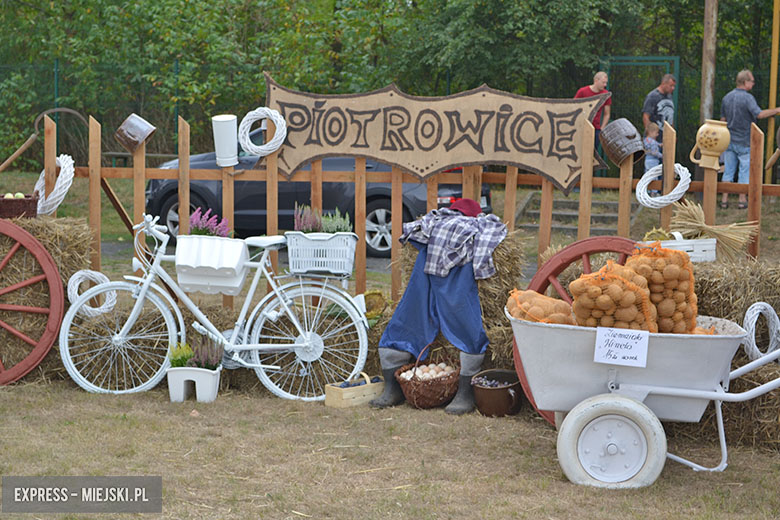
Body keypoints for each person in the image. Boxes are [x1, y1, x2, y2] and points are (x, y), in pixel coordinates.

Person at [369, 198, 507, 415]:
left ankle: (465, 391)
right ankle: (393, 386)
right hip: (424, 276)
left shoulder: (470, 227)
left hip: (451, 282)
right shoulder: (435, 228)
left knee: (463, 316)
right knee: (409, 314)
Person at [719, 69, 780, 209]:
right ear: (745, 82)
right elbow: (759, 114)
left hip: (729, 140)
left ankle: (724, 200)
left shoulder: (726, 97)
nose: (753, 84)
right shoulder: (747, 98)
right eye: (751, 81)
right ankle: (742, 200)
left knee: (728, 170)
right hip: (745, 141)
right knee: (744, 171)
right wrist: (776, 110)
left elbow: (723, 120)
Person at [574, 71, 612, 149]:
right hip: (581, 127)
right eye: (603, 82)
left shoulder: (605, 94)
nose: (605, 85)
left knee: (592, 152)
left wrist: (602, 128)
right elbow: (574, 107)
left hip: (596, 129)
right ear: (596, 80)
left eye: (606, 83)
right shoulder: (582, 91)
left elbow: (607, 114)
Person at [642, 74, 676, 143]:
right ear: (663, 83)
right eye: (671, 86)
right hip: (655, 139)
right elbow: (645, 116)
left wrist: (673, 134)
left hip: (666, 138)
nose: (673, 88)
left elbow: (670, 116)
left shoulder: (669, 96)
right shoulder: (652, 96)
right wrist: (650, 136)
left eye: (674, 86)